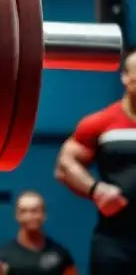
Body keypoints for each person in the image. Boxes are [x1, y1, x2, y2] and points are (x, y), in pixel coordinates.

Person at [55, 48, 136, 273]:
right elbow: (64, 165)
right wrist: (95, 189)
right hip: (116, 241)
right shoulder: (101, 122)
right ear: (126, 78)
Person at [0, 191, 76, 275]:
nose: (29, 216)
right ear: (17, 216)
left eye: (35, 211)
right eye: (23, 211)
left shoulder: (60, 254)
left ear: (44, 214)